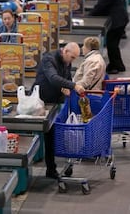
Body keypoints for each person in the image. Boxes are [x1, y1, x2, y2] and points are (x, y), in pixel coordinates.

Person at [32, 42, 85, 179]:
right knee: (40, 133)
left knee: (51, 135)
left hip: (54, 102)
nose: (72, 61)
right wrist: (73, 86)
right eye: (72, 57)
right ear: (65, 51)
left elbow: (66, 77)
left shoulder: (66, 62)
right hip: (40, 102)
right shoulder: (48, 59)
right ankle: (43, 164)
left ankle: (51, 170)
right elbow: (53, 78)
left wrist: (66, 87)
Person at [90, 0, 128, 74]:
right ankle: (119, 65)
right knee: (113, 44)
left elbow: (101, 6)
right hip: (119, 19)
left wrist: (89, 16)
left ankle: (114, 66)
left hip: (117, 21)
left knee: (112, 44)